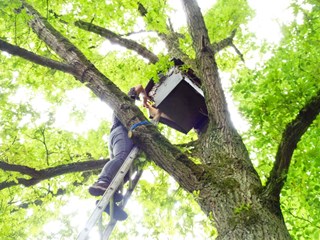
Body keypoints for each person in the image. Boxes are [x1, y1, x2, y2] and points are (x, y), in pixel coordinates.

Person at [88, 85, 149, 221]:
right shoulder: (124, 104)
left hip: (123, 138)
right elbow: (138, 87)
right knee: (121, 158)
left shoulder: (135, 117)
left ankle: (109, 201)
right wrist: (144, 99)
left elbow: (156, 114)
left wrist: (151, 109)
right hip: (121, 131)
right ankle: (101, 182)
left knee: (124, 173)